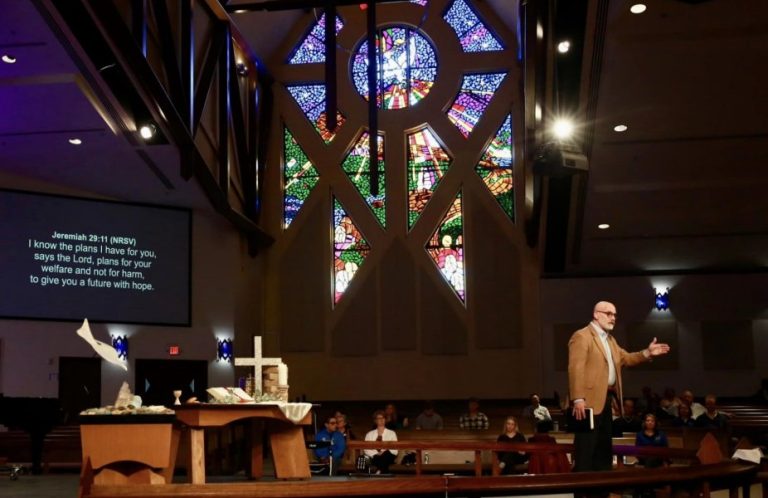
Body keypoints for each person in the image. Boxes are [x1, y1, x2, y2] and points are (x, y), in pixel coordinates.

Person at [568, 301, 671, 472]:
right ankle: (583, 492)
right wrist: (578, 398)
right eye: (609, 314)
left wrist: (647, 353)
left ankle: (600, 492)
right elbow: (575, 368)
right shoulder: (582, 336)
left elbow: (626, 358)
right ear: (596, 314)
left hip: (606, 400)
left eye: (615, 315)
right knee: (586, 451)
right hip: (587, 404)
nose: (613, 318)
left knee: (603, 451)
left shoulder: (611, 340)